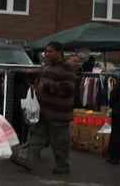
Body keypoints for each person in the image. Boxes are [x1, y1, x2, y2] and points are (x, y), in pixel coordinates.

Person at [11, 41, 75, 174]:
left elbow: (69, 88)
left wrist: (47, 87)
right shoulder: (46, 66)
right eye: (46, 51)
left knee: (60, 142)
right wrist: (34, 86)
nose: (47, 54)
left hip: (59, 113)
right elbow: (39, 82)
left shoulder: (66, 68)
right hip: (43, 111)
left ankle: (63, 166)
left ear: (59, 52)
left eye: (50, 51)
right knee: (35, 136)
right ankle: (27, 160)